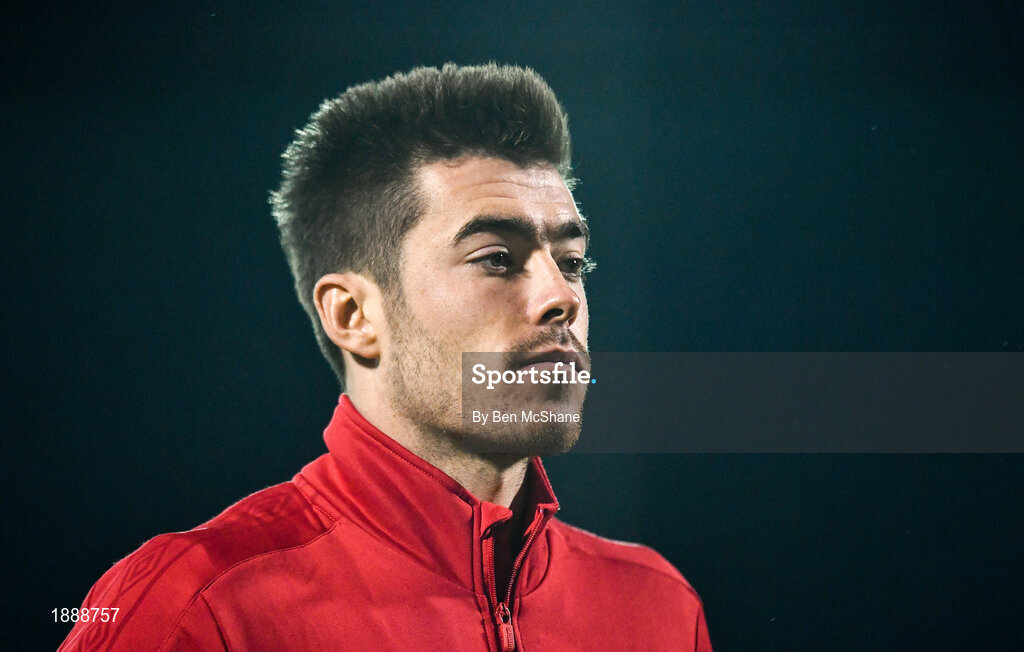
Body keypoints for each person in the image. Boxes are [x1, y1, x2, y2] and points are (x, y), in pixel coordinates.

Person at [59, 63, 712, 651]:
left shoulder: (658, 608)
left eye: (572, 263)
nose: (560, 297)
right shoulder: (189, 608)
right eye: (496, 259)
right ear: (354, 316)